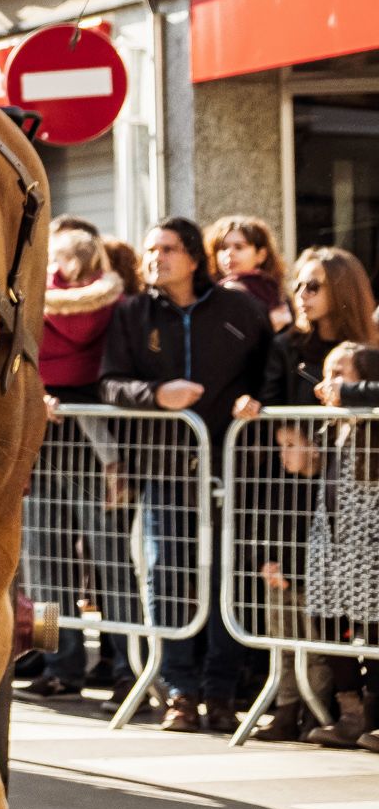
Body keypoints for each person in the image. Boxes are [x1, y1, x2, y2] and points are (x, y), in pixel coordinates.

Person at [99, 216, 273, 733]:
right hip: (165, 471)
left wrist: (257, 399)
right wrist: (156, 395)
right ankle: (179, 692)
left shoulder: (241, 308)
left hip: (229, 470)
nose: (155, 258)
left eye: (168, 249)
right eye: (150, 250)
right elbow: (109, 385)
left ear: (195, 257)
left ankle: (220, 693)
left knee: (224, 583)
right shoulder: (132, 314)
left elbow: (272, 367)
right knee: (168, 581)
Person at [249, 247, 378, 740]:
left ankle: (359, 714)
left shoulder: (370, 349)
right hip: (304, 495)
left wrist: (350, 395)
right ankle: (311, 708)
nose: (302, 295)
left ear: (342, 290)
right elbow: (272, 415)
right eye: (298, 285)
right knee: (314, 605)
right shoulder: (285, 346)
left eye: (314, 285)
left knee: (366, 613)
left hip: (366, 499)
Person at [25, 225, 134, 697]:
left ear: (66, 263)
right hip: (94, 437)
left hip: (42, 428)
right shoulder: (114, 306)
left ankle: (58, 665)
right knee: (112, 560)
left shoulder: (32, 299)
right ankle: (131, 661)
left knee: (45, 560)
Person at [305, 340, 379, 750]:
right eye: (327, 373)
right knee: (328, 623)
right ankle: (349, 712)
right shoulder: (332, 427)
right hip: (332, 546)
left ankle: (373, 714)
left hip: (369, 545)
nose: (328, 384)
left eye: (340, 374)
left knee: (375, 627)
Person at [208, 215, 292, 330]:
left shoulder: (272, 290)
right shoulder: (216, 287)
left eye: (239, 247)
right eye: (223, 248)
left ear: (261, 255)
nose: (229, 253)